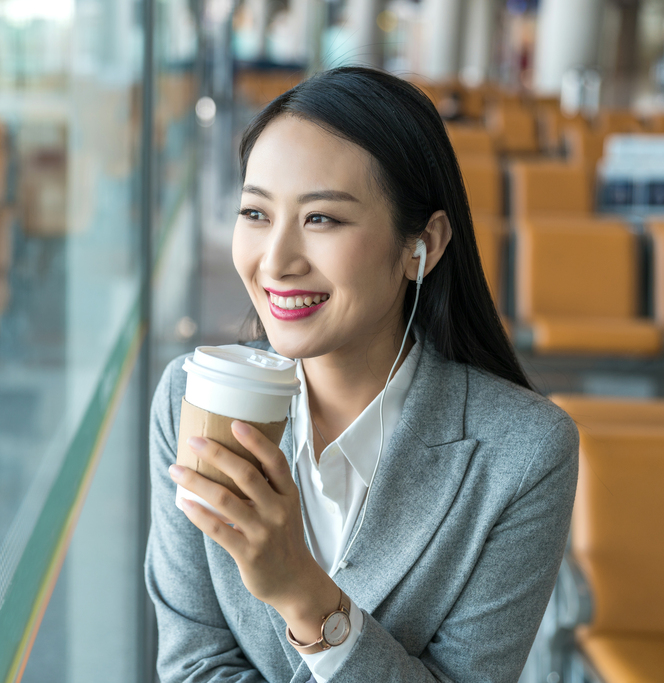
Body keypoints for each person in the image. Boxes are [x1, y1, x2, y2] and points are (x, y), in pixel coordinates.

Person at [145, 67, 579, 682]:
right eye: (255, 213)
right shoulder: (189, 399)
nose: (276, 261)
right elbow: (193, 666)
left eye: (321, 219)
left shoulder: (523, 454)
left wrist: (303, 593)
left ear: (420, 245)